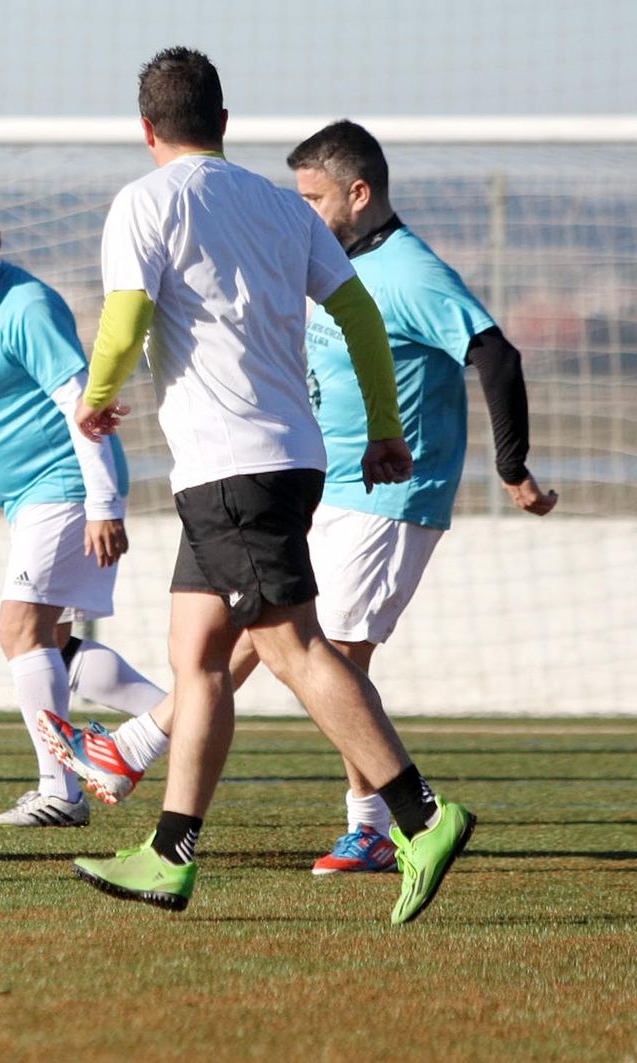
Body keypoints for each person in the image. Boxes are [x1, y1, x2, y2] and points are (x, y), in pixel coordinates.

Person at [51, 48, 474, 925]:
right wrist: (387, 427)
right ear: (223, 123)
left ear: (146, 128)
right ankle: (169, 853)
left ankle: (423, 815)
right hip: (282, 458)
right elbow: (358, 312)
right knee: (199, 657)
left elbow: (126, 318)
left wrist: (98, 396)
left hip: (233, 466)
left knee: (293, 649)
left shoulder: (145, 201)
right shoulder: (284, 207)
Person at [221, 120, 556, 872]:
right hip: (330, 487)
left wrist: (512, 468)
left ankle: (372, 824)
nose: (304, 212)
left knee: (340, 653)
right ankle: (137, 749)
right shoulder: (339, 265)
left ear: (359, 193)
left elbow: (496, 354)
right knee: (259, 628)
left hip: (392, 495)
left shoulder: (409, 271)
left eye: (314, 199)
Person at [0, 185, 171, 829]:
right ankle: (185, 714)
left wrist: (103, 504)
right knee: (53, 642)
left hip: (66, 486)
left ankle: (60, 791)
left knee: (19, 629)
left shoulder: (28, 307)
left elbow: (83, 404)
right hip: (25, 498)